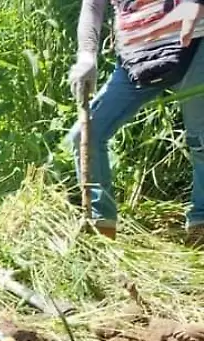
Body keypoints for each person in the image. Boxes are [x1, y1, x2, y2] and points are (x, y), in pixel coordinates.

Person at [68, 0, 204, 239]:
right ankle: (102, 230)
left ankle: (200, 224)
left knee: (201, 140)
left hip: (194, 40)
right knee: (86, 134)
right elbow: (92, 7)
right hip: (135, 57)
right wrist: (87, 56)